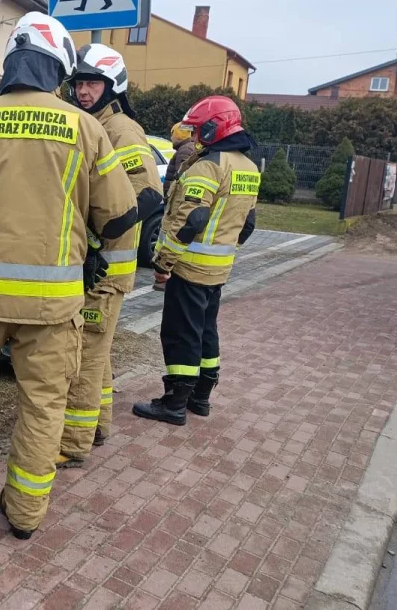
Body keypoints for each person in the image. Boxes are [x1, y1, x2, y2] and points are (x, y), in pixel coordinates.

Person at [0, 12, 138, 539]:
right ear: (58, 68)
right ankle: (24, 515)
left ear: (12, 62)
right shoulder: (85, 127)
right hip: (53, 308)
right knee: (42, 408)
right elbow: (122, 214)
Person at [57, 44, 163, 466]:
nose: (83, 91)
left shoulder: (120, 129)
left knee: (84, 354)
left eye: (92, 83)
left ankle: (72, 443)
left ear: (112, 85)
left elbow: (148, 195)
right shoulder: (91, 123)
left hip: (107, 267)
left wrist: (99, 242)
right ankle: (98, 425)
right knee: (96, 353)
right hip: (97, 264)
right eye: (79, 83)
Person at [134, 96, 260, 426]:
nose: (194, 137)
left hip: (189, 268)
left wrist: (163, 263)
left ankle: (175, 403)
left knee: (180, 334)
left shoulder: (208, 166)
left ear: (212, 126)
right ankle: (201, 398)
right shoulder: (248, 167)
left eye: (197, 130)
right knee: (206, 330)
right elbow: (247, 224)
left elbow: (189, 222)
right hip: (219, 269)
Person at [163, 121, 198, 196]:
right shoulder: (189, 147)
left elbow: (180, 178)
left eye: (172, 134)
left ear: (178, 135)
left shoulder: (185, 150)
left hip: (176, 197)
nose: (171, 138)